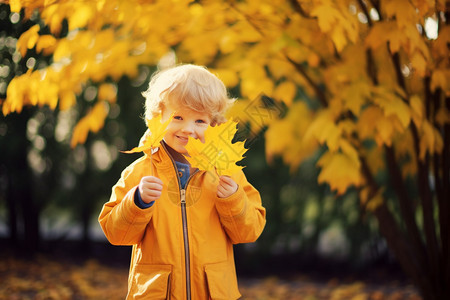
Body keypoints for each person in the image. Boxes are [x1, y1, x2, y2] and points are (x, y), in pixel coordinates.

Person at [98, 64, 266, 300]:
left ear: (214, 124)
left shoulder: (225, 173)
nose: (188, 129)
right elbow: (116, 234)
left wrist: (233, 199)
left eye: (200, 121)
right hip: (159, 293)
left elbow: (249, 232)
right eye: (177, 117)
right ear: (158, 118)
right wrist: (137, 201)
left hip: (212, 292)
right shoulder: (141, 172)